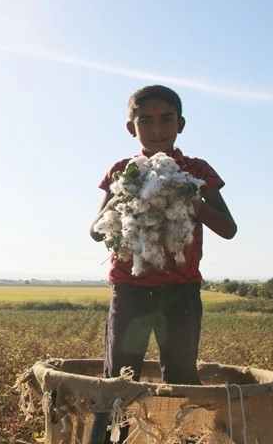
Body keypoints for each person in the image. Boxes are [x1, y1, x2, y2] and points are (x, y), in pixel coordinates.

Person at [88, 85, 237, 444]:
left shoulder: (197, 170)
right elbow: (95, 231)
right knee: (119, 381)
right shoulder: (122, 171)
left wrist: (192, 198)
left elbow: (229, 229)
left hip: (181, 294)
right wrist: (122, 195)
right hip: (131, 292)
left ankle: (183, 438)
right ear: (131, 128)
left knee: (182, 376)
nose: (157, 130)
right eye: (146, 121)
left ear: (180, 124)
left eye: (166, 120)